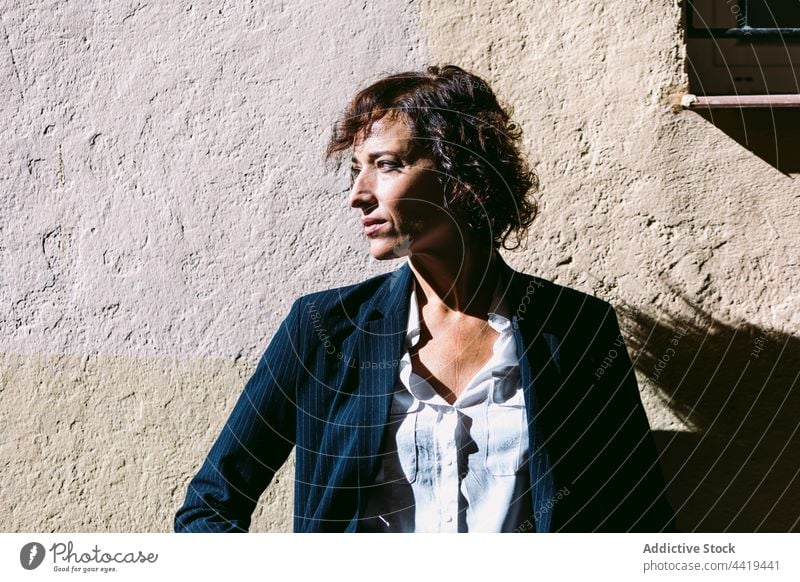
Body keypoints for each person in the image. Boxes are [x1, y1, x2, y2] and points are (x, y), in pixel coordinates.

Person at [174, 65, 677, 533]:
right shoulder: (325, 328)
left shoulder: (574, 329)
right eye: (356, 169)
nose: (358, 193)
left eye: (387, 165)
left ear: (462, 176)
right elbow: (212, 504)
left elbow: (639, 522)